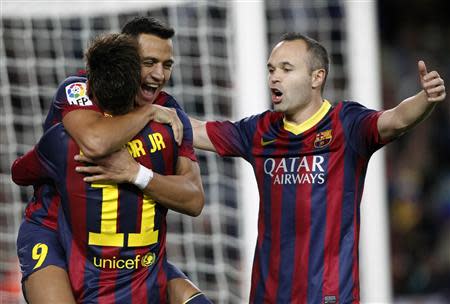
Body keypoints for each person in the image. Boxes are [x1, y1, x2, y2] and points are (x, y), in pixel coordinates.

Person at [83, 32, 446, 303]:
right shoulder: (260, 131)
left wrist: (424, 100)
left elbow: (394, 120)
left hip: (327, 295)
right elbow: (196, 131)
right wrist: (144, 109)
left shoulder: (345, 124)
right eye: (272, 69)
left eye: (287, 69)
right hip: (267, 295)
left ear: (316, 77)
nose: (274, 77)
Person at [11, 17, 210, 304]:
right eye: (149, 62)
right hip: (55, 230)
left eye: (166, 65)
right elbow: (95, 142)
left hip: (128, 250)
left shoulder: (170, 111)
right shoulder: (82, 89)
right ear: (125, 61)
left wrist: (137, 174)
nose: (158, 74)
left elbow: (194, 200)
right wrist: (147, 113)